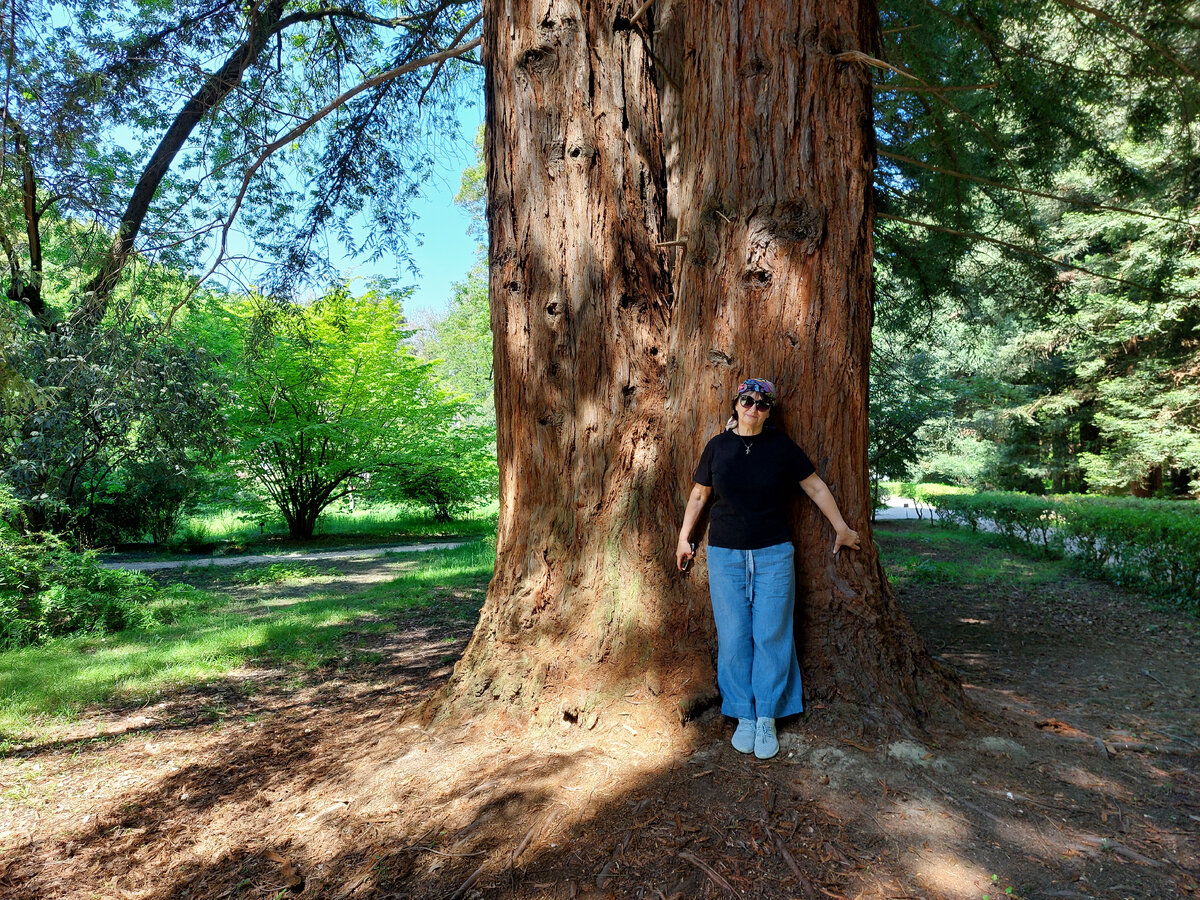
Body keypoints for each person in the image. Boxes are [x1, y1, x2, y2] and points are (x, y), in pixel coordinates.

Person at [675, 377, 861, 759]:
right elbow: (699, 494)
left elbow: (815, 488)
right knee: (734, 635)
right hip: (726, 554)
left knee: (772, 634)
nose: (753, 408)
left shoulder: (782, 448)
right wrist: (683, 538)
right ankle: (743, 713)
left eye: (762, 404)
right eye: (747, 400)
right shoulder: (717, 447)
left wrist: (841, 527)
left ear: (769, 411)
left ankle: (767, 718)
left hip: (774, 555)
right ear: (736, 403)